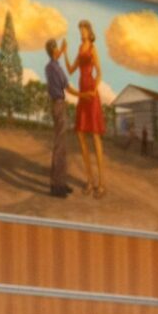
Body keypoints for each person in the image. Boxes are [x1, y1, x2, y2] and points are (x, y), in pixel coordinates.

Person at [65, 21, 107, 198]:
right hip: (82, 94)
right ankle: (89, 181)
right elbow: (71, 69)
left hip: (91, 91)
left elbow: (99, 72)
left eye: (84, 29)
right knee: (81, 136)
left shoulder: (92, 49)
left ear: (90, 32)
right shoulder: (80, 48)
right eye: (80, 29)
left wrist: (94, 90)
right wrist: (65, 52)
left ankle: (101, 184)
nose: (81, 31)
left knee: (95, 136)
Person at [43, 38, 76, 197]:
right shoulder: (57, 69)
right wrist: (84, 95)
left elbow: (55, 58)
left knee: (60, 146)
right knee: (60, 147)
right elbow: (68, 87)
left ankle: (60, 182)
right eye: (58, 49)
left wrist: (62, 49)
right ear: (54, 51)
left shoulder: (49, 66)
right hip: (59, 104)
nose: (59, 51)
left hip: (55, 105)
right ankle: (57, 187)